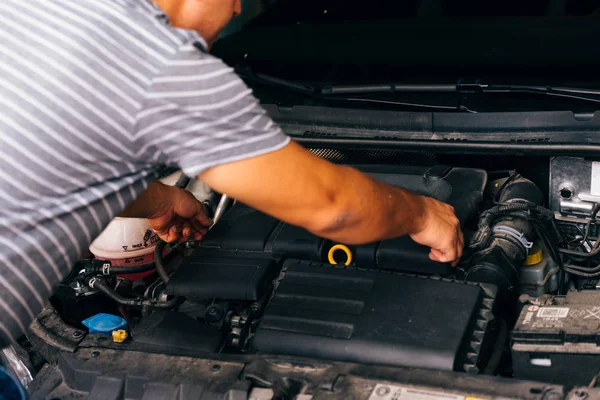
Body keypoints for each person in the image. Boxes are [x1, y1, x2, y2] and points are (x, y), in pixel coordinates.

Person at [0, 0, 462, 348]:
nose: (238, 8)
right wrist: (422, 214)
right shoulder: (156, 61)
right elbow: (332, 206)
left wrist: (158, 200)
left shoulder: (40, 12)